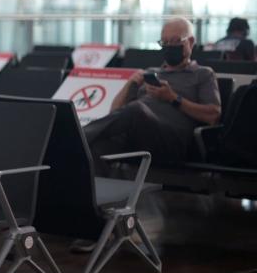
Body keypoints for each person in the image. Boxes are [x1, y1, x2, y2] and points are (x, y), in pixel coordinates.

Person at [85, 17, 221, 167]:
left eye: (175, 41)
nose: (169, 46)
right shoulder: (150, 73)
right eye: (165, 42)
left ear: (190, 42)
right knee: (95, 148)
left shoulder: (203, 74)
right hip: (138, 135)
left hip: (172, 140)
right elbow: (115, 112)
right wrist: (130, 84)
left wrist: (173, 98)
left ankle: (76, 136)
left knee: (137, 109)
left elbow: (213, 115)